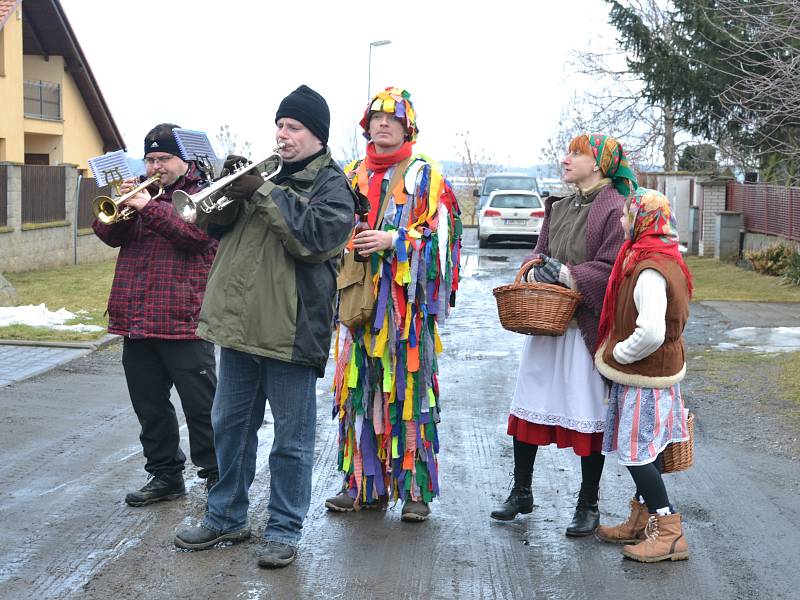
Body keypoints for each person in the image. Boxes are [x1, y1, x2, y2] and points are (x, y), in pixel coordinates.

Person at [173, 85, 356, 569]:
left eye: (293, 127)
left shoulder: (335, 187)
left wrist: (263, 190)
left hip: (290, 333)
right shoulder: (263, 176)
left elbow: (313, 241)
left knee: (291, 442)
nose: (282, 134)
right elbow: (209, 228)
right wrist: (227, 187)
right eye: (279, 125)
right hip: (237, 329)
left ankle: (283, 529)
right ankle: (226, 516)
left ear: (316, 135)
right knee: (229, 430)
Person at [324, 87, 462, 521]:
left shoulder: (426, 176)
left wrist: (394, 240)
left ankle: (415, 490)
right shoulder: (348, 174)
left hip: (406, 314)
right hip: (357, 302)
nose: (383, 123)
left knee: (409, 393)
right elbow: (327, 230)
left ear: (407, 126)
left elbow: (442, 242)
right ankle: (362, 484)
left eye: (392, 118)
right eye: (376, 117)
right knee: (359, 394)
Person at [490, 133, 637, 537]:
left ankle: (588, 503)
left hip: (583, 329)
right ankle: (521, 491)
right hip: (547, 322)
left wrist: (571, 275)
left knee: (586, 412)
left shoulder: (613, 208)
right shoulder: (560, 205)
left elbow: (614, 268)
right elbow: (539, 250)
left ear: (600, 164)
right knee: (529, 402)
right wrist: (538, 266)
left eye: (577, 154)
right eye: (568, 152)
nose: (567, 159)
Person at [92, 123, 219, 506]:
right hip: (137, 319)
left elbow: (195, 237)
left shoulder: (204, 194)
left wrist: (151, 207)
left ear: (184, 160)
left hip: (184, 319)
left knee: (201, 407)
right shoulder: (144, 194)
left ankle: (217, 477)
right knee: (149, 406)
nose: (155, 166)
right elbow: (106, 232)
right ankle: (165, 475)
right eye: (150, 159)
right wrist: (127, 206)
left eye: (163, 158)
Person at [593, 187, 692, 562]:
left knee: (637, 453)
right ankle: (641, 519)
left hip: (644, 375)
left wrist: (621, 352)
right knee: (645, 449)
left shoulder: (651, 267)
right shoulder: (659, 255)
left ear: (644, 219)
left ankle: (668, 532)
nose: (621, 222)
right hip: (650, 373)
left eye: (626, 216)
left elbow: (651, 330)